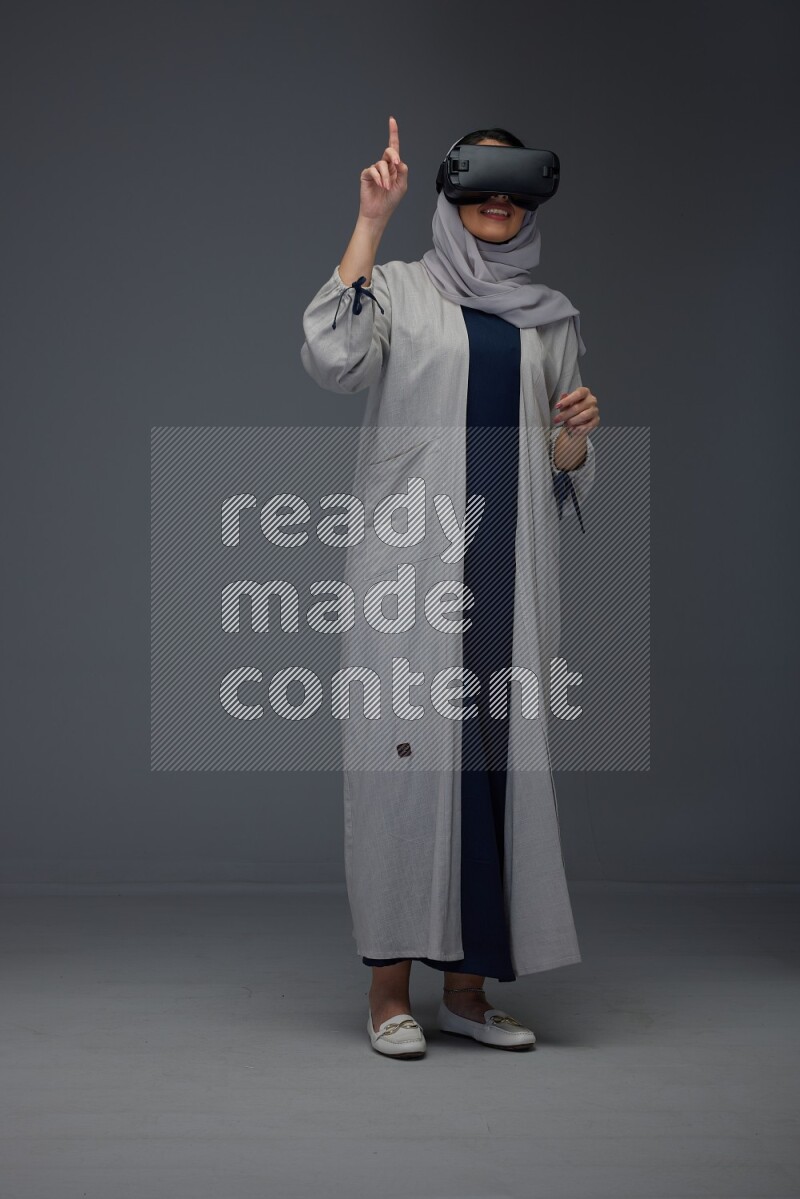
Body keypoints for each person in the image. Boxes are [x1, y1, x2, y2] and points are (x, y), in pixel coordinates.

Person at [300, 116, 601, 1059]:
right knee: (404, 772)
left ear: (533, 198)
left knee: (494, 767)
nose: (497, 201)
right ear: (451, 195)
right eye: (479, 185)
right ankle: (391, 994)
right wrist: (369, 220)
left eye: (513, 187)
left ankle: (468, 993)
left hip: (506, 575)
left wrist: (577, 434)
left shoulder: (550, 318)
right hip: (412, 575)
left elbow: (562, 460)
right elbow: (330, 357)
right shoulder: (398, 291)